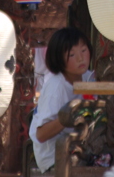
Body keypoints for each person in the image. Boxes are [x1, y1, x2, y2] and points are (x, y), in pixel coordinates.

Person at [28, 27, 95, 172]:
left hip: (79, 148)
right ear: (59, 59)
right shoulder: (55, 87)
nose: (80, 58)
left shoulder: (88, 78)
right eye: (72, 54)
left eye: (83, 50)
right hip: (53, 156)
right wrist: (70, 114)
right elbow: (41, 134)